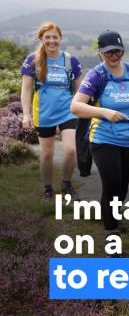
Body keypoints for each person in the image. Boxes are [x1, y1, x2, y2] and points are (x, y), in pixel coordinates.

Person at [71, 30, 129, 233]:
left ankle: (114, 218)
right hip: (104, 138)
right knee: (112, 185)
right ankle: (112, 235)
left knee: (122, 187)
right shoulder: (96, 75)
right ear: (100, 52)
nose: (114, 56)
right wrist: (104, 112)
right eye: (109, 52)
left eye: (118, 51)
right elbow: (75, 107)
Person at [20, 21, 82, 200]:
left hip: (67, 110)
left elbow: (80, 90)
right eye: (48, 37)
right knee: (47, 154)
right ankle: (47, 189)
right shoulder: (33, 59)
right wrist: (26, 114)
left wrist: (84, 110)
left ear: (60, 38)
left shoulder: (71, 60)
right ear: (41, 38)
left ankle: (66, 184)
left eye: (55, 37)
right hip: (44, 111)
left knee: (71, 150)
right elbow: (26, 88)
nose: (52, 40)